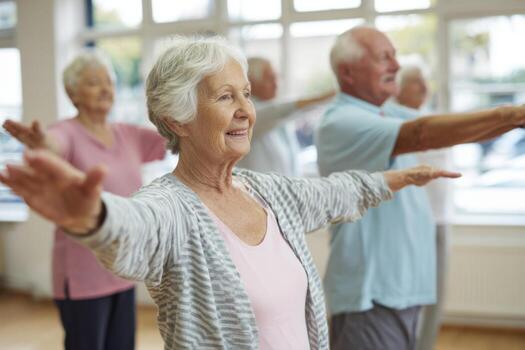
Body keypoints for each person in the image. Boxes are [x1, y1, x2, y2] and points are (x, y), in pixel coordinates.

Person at [0, 36, 460, 350]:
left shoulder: (265, 192)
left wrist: (394, 178)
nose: (245, 111)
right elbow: (134, 231)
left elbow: (332, 193)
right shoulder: (169, 209)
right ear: (179, 119)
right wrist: (94, 220)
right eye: (225, 97)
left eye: (246, 94)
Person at [316, 25, 525, 350]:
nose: (396, 66)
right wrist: (512, 113)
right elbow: (423, 133)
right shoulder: (340, 120)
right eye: (383, 57)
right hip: (369, 296)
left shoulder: (386, 111)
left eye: (395, 56)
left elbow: (459, 129)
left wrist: (512, 119)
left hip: (401, 292)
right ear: (347, 72)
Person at [3, 51, 166, 350]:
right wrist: (43, 146)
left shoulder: (128, 134)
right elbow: (54, 143)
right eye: (94, 82)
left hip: (124, 266)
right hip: (82, 276)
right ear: (72, 93)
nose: (105, 88)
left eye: (109, 82)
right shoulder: (66, 132)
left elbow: (175, 139)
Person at [394, 64, 452, 350]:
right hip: (413, 224)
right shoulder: (399, 124)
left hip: (440, 220)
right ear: (400, 89)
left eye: (424, 82)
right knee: (411, 296)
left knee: (436, 295)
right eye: (416, 83)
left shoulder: (431, 118)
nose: (424, 88)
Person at [237, 57, 333, 175]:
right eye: (270, 79)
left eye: (277, 78)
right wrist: (322, 98)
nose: (276, 84)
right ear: (251, 83)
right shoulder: (245, 113)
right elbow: (278, 111)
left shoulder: (277, 113)